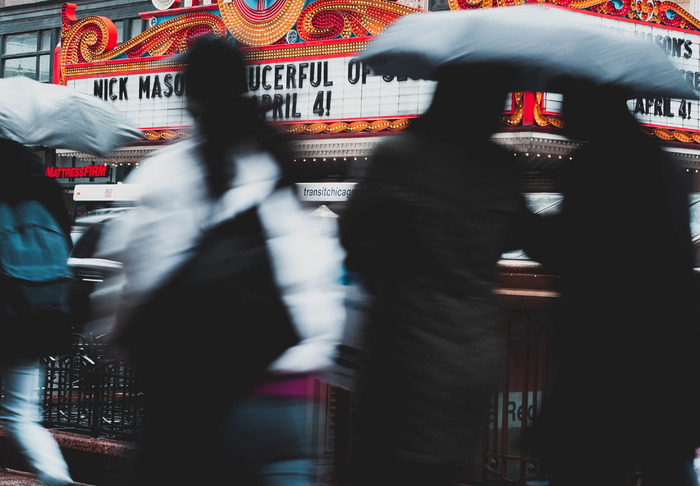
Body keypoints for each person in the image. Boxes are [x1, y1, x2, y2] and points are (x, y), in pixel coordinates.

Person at [91, 34, 345, 486]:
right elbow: (318, 296)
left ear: (189, 98)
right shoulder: (274, 163)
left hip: (196, 404)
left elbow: (129, 293)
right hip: (287, 403)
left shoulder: (169, 173)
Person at [337, 65, 533, 486]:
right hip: (473, 359)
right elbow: (524, 234)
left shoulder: (402, 155)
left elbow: (351, 232)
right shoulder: (500, 167)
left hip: (402, 356)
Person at [524, 83, 700, 486]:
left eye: (568, 98)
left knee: (586, 468)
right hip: (666, 355)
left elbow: (578, 248)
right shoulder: (659, 159)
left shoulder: (595, 164)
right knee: (668, 465)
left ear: (591, 104)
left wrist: (522, 223)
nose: (561, 108)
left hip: (605, 360)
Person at [0, 138, 74, 486]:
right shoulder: (46, 189)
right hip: (31, 315)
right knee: (24, 414)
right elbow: (66, 243)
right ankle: (54, 472)